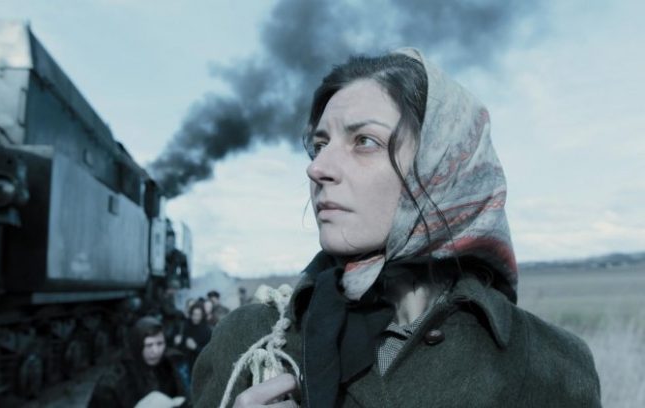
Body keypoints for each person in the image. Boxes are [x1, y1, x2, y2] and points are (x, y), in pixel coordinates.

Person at [192, 49, 601, 407]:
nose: (317, 168)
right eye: (320, 144)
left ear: (442, 166)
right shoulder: (255, 343)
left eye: (363, 141)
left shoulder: (550, 363)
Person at [88, 316, 189, 407]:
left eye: (160, 343)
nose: (156, 351)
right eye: (149, 345)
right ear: (137, 345)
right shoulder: (114, 379)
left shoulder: (167, 367)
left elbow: (183, 396)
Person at [181, 302, 212, 372]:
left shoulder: (207, 330)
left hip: (199, 366)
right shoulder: (187, 325)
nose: (195, 317)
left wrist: (195, 348)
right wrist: (181, 341)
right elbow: (182, 344)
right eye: (194, 314)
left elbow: (209, 353)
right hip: (186, 362)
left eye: (198, 315)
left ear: (202, 315)